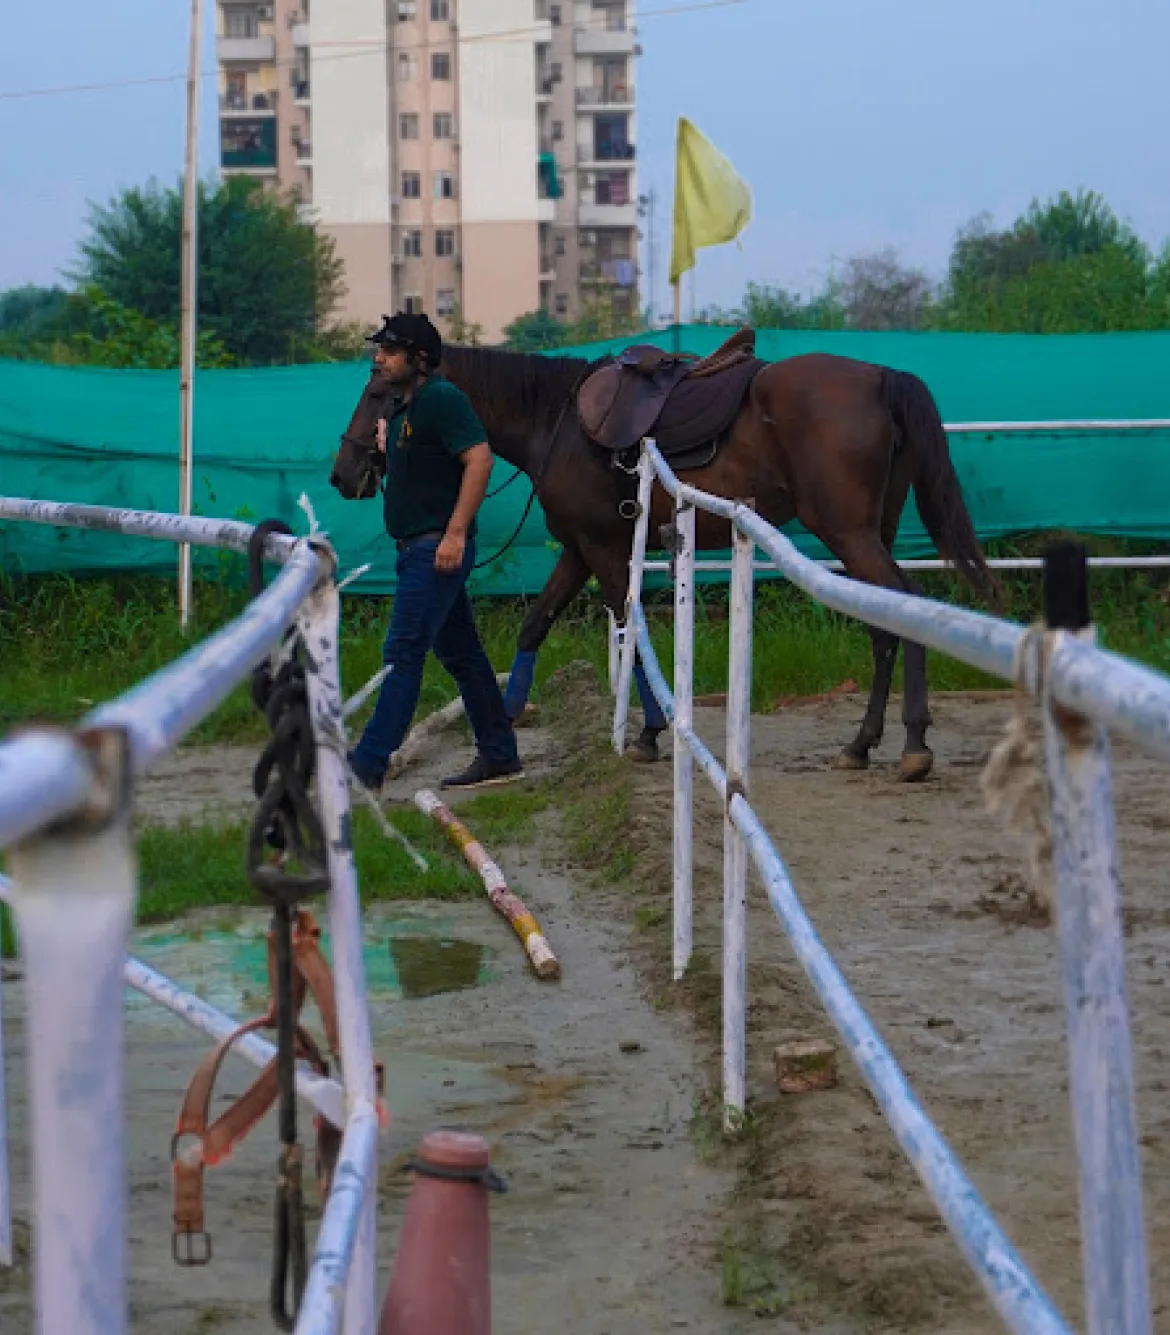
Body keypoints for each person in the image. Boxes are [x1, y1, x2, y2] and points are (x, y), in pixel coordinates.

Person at [347, 311, 523, 792]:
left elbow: (479, 459)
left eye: (389, 351)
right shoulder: (405, 406)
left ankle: (368, 764)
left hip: (435, 551)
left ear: (419, 359)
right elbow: (425, 468)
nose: (378, 359)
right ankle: (500, 753)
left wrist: (455, 533)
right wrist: (387, 455)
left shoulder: (443, 398)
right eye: (378, 350)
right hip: (416, 550)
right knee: (462, 654)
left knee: (402, 652)